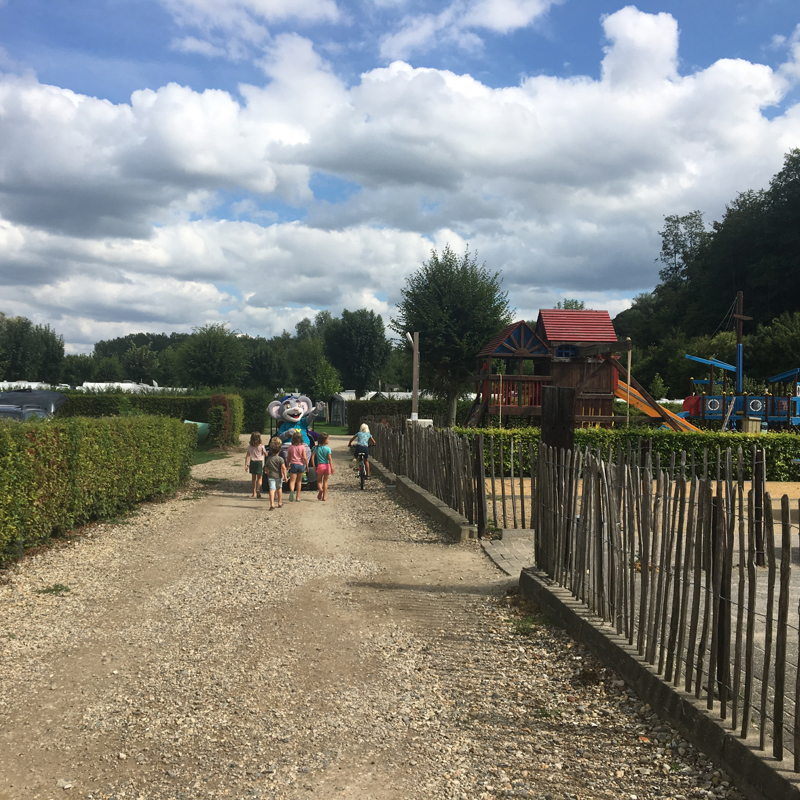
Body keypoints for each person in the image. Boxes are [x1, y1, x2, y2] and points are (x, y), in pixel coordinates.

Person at [265, 437, 287, 510]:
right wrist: (285, 477)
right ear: (279, 450)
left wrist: (266, 471)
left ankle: (272, 504)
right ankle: (279, 502)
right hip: (279, 476)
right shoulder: (280, 459)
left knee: (272, 489)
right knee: (279, 489)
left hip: (271, 476)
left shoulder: (269, 459)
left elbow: (266, 467)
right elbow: (284, 467)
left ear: (271, 450)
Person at [286, 430, 308, 501]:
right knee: (299, 481)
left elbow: (288, 457)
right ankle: (297, 497)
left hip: (293, 465)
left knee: (292, 481)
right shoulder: (302, 447)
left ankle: (292, 491)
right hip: (301, 465)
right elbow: (304, 458)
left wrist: (287, 464)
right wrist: (307, 466)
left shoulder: (290, 447)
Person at [245, 432, 268, 498]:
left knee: (253, 478)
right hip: (259, 462)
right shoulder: (261, 446)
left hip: (252, 462)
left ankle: (254, 492)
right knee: (260, 478)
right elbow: (265, 454)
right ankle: (258, 489)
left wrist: (246, 465)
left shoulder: (249, 447)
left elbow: (247, 456)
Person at [313, 432, 334, 500]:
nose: (329, 440)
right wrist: (332, 468)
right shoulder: (328, 449)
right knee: (325, 481)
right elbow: (329, 459)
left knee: (319, 481)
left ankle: (320, 490)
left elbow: (312, 457)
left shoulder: (316, 448)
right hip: (327, 466)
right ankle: (324, 497)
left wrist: (314, 466)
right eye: (328, 439)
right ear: (324, 440)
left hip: (320, 466)